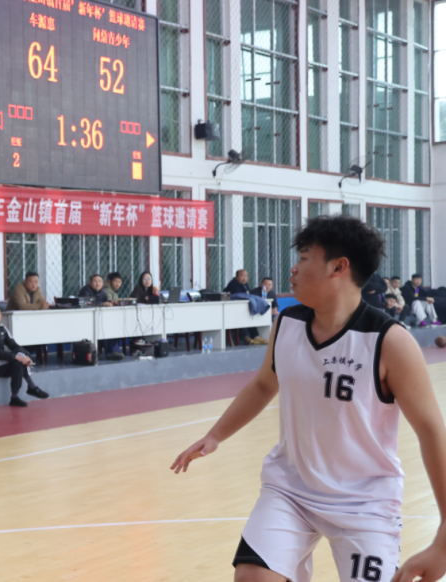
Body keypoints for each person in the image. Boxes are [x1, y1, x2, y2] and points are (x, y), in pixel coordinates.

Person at [172, 214, 446, 582]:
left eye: (303, 258)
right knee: (253, 577)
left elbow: (432, 431)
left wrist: (444, 540)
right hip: (290, 490)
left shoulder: (390, 342)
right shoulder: (287, 324)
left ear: (338, 267)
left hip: (365, 502)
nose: (293, 268)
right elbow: (263, 385)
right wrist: (215, 435)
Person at [0, 304, 49, 407]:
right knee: (17, 360)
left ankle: (16, 396)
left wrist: (26, 355)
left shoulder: (2, 328)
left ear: (1, 316)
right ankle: (31, 387)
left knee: (19, 360)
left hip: (2, 364)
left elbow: (13, 345)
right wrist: (16, 357)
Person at [226, 271, 267, 345]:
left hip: (241, 310)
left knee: (249, 316)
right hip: (231, 312)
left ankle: (256, 337)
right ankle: (247, 337)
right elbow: (241, 295)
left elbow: (248, 294)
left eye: (246, 276)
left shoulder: (245, 284)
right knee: (244, 317)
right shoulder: (233, 284)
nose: (244, 278)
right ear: (236, 277)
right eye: (242, 276)